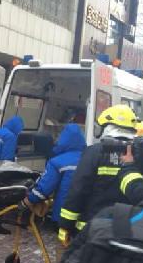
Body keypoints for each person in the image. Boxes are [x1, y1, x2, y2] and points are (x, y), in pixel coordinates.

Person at [58, 105, 138, 244]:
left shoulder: (94, 152)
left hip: (91, 228)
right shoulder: (139, 154)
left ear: (105, 128)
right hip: (125, 230)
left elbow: (78, 189)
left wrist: (66, 225)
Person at [24, 124, 86, 225]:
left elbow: (44, 189)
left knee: (64, 238)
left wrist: (28, 201)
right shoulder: (91, 159)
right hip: (87, 213)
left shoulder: (58, 162)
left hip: (65, 213)